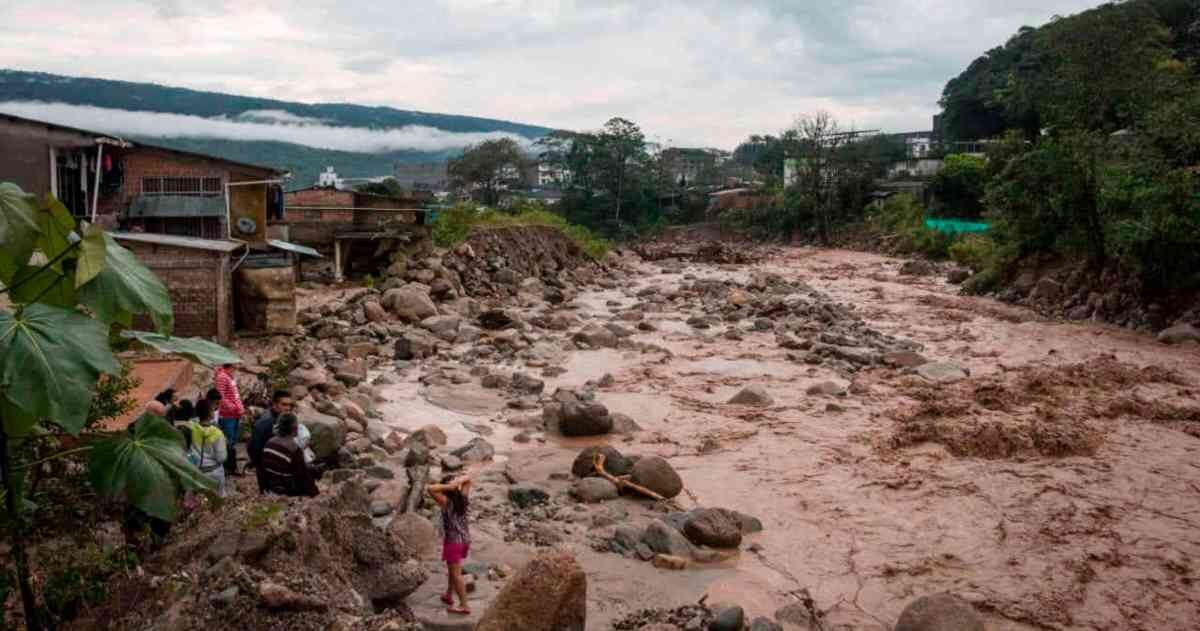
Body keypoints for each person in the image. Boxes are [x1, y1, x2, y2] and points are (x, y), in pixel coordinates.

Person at [428, 474, 472, 615]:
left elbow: (430, 488)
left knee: (456, 574)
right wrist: (457, 482)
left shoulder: (446, 501)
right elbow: (468, 480)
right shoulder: (462, 498)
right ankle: (448, 594)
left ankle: (464, 605)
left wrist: (450, 485)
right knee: (452, 569)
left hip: (454, 542)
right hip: (464, 540)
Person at [259, 414, 319, 498]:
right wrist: (315, 492)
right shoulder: (293, 448)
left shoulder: (269, 442)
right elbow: (302, 476)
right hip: (286, 488)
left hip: (270, 483)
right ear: (295, 429)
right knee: (312, 471)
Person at [249, 390, 293, 490]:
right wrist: (262, 468)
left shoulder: (282, 418)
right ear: (274, 404)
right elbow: (253, 448)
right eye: (284, 404)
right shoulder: (265, 422)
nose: (288, 408)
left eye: (290, 405)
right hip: (267, 469)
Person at [188, 399, 228, 497]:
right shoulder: (217, 433)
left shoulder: (191, 428)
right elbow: (221, 458)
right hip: (214, 472)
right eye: (212, 410)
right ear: (210, 413)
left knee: (200, 501)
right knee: (217, 500)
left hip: (196, 472)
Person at [213, 363, 245, 477]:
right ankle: (228, 467)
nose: (237, 366)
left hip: (234, 414)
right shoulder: (222, 377)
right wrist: (234, 407)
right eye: (235, 364)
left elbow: (235, 396)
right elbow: (220, 397)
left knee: (232, 441)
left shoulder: (229, 376)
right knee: (228, 440)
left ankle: (232, 466)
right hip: (227, 415)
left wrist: (239, 409)